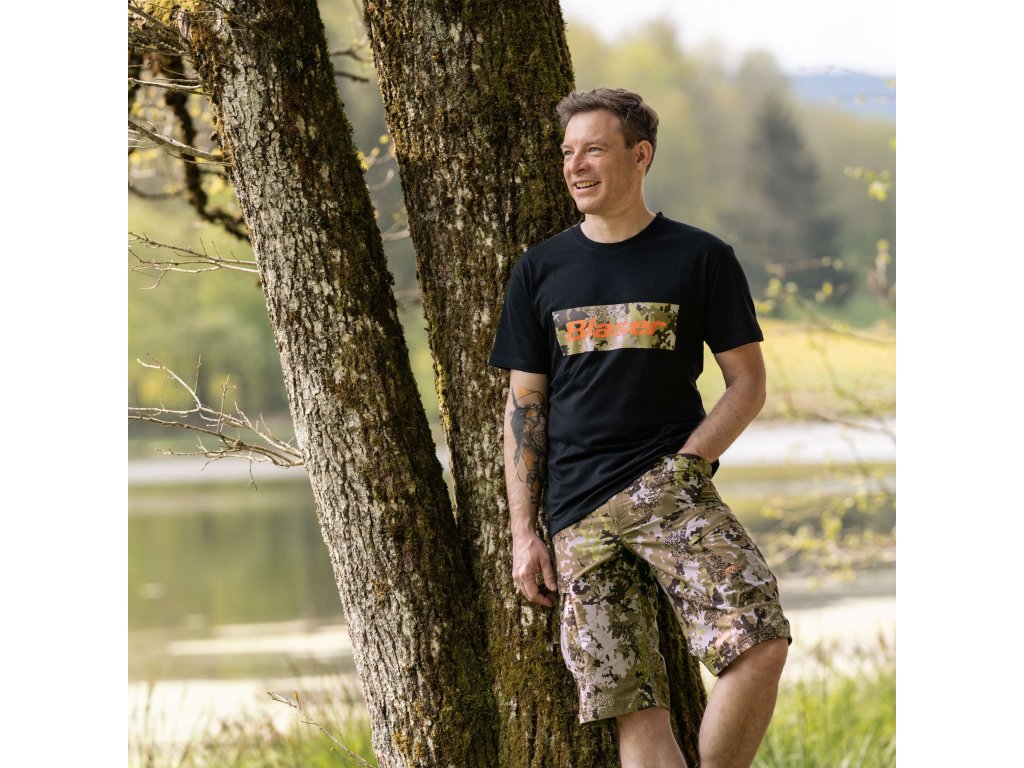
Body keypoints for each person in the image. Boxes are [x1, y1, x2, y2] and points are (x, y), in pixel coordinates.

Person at [487, 87, 792, 768]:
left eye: (594, 149)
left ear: (640, 155)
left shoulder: (700, 257)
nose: (576, 166)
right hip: (577, 515)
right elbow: (525, 408)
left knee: (759, 641)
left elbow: (747, 383)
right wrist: (524, 533)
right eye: (568, 152)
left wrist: (688, 465)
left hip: (667, 489)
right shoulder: (539, 270)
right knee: (634, 704)